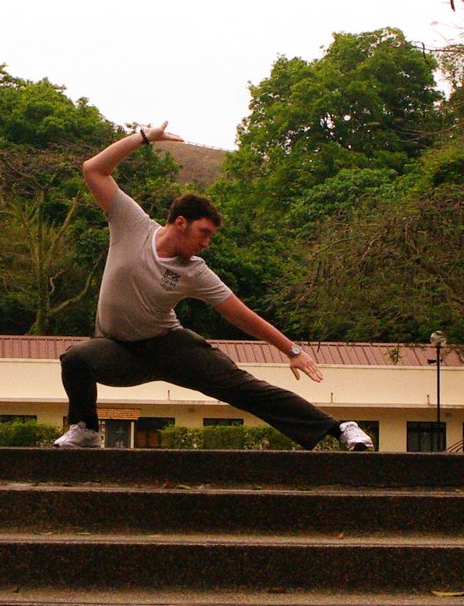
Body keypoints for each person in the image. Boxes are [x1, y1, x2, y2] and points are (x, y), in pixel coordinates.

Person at [54, 123, 375, 451]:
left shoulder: (194, 270)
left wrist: (291, 350)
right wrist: (144, 138)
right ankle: (86, 429)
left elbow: (240, 314)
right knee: (76, 358)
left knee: (243, 387)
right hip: (118, 350)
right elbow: (93, 170)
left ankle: (340, 429)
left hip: (170, 346)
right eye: (203, 233)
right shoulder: (132, 224)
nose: (206, 243)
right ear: (181, 223)